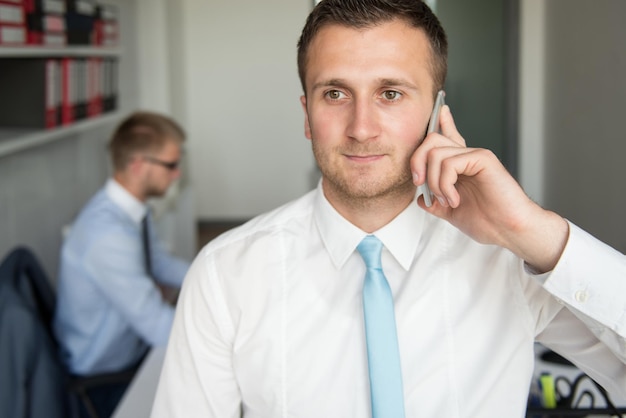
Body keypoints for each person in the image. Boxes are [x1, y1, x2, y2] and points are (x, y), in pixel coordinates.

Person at [152, 1, 626, 417]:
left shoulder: (509, 258)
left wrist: (531, 231)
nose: (361, 127)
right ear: (306, 115)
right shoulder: (225, 274)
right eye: (335, 94)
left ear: (438, 112)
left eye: (391, 93)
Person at [54, 111, 191, 417]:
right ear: (138, 165)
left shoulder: (129, 211)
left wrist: (214, 277)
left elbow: (159, 263)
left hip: (131, 350)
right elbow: (157, 326)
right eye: (171, 165)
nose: (177, 173)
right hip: (104, 377)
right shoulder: (107, 235)